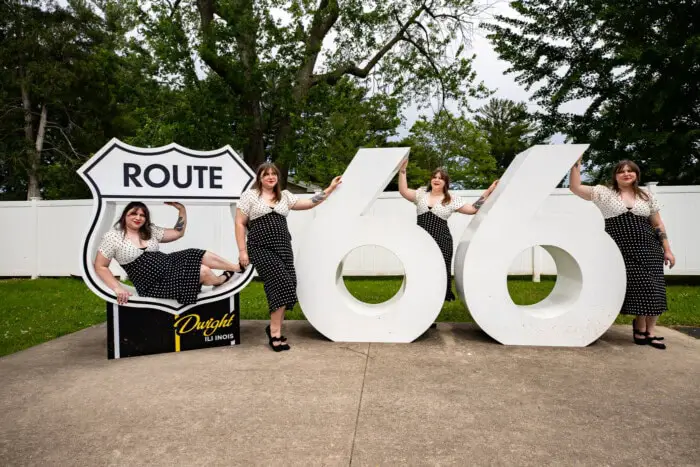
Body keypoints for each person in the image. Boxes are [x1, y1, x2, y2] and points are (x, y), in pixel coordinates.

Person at [235, 162, 342, 352]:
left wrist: (331, 188)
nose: (270, 177)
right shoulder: (249, 196)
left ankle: (274, 328)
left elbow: (310, 202)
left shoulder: (284, 196)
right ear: (259, 178)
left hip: (283, 247)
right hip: (260, 247)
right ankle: (275, 332)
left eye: (273, 174)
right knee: (281, 283)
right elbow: (240, 223)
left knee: (288, 284)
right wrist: (243, 251)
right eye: (265, 174)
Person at [569, 158, 675, 349]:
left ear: (636, 174)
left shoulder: (646, 196)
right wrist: (576, 164)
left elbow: (658, 224)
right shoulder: (604, 192)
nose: (626, 174)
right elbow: (575, 187)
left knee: (655, 287)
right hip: (620, 250)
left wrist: (667, 250)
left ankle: (649, 331)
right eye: (621, 171)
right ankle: (639, 325)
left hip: (649, 247)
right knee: (639, 288)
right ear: (615, 176)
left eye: (630, 171)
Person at [95, 201, 244, 306]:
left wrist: (182, 210)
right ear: (124, 216)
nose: (138, 217)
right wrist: (117, 288)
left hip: (170, 263)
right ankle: (221, 280)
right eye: (133, 213)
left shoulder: (149, 231)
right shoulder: (113, 237)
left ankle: (236, 267)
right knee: (203, 271)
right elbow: (101, 266)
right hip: (153, 284)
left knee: (196, 253)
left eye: (142, 215)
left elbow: (178, 232)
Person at [398, 158, 499, 305]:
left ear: (445, 182)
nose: (437, 179)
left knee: (438, 276)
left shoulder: (451, 199)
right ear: (431, 180)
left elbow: (472, 209)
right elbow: (403, 190)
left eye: (441, 178)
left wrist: (489, 190)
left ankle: (434, 308)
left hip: (442, 242)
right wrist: (402, 170)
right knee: (421, 274)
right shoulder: (421, 194)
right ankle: (422, 310)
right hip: (421, 242)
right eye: (435, 177)